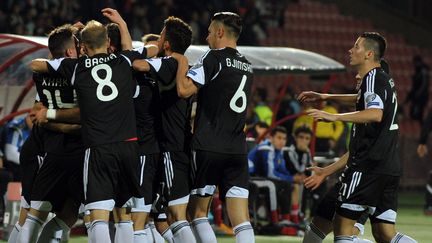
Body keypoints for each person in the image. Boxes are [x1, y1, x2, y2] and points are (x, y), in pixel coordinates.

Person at [30, 9, 144, 243]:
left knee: (98, 215)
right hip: (129, 146)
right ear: (108, 42)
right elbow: (129, 48)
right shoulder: (123, 61)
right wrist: (121, 22)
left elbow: (37, 65)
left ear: (82, 47)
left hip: (99, 147)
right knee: (124, 214)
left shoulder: (77, 68)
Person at [299, 32, 417, 243]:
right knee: (385, 234)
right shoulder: (381, 80)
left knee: (342, 228)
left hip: (367, 168)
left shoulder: (372, 78)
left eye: (356, 47)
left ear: (369, 54)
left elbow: (375, 113)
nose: (350, 50)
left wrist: (332, 116)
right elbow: (362, 100)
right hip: (386, 168)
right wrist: (326, 97)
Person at [169, 12, 255, 243]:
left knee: (196, 213)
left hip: (208, 146)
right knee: (241, 219)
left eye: (208, 32)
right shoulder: (247, 65)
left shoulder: (213, 57)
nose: (206, 37)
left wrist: (180, 62)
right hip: (237, 149)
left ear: (219, 32)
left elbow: (184, 90)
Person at [133, 16, 195, 243]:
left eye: (160, 35)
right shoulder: (181, 64)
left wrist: (143, 51)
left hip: (171, 146)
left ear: (167, 43)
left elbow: (137, 64)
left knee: (177, 216)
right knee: (164, 214)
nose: (158, 39)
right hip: (177, 144)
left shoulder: (170, 62)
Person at [248, 126, 305, 235]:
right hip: (250, 177)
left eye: (284, 139)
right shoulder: (266, 148)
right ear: (271, 138)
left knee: (293, 185)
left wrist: (294, 178)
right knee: (272, 185)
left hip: (262, 178)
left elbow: (283, 171)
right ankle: (274, 221)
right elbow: (270, 173)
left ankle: (290, 218)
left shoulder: (279, 151)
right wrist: (292, 178)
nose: (282, 141)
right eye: (279, 138)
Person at [405, 55, 429, 123]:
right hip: (417, 97)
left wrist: (418, 94)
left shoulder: (423, 71)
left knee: (417, 115)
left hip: (421, 97)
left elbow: (424, 85)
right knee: (414, 115)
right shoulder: (418, 71)